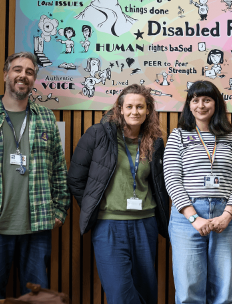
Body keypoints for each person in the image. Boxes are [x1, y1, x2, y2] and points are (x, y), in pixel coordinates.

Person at [67, 84, 169, 304]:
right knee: (120, 294)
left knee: (146, 291)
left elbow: (159, 185)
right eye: (129, 106)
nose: (135, 111)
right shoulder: (98, 135)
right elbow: (75, 178)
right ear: (120, 109)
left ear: (148, 110)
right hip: (109, 225)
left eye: (140, 107)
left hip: (145, 224)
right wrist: (94, 205)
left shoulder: (155, 141)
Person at [0, 52, 69, 298]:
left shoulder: (45, 118)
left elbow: (58, 170)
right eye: (17, 70)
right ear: (5, 75)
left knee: (36, 297)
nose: (23, 75)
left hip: (38, 226)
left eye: (29, 72)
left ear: (34, 80)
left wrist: (60, 212)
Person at [163, 80, 232, 304]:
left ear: (216, 103)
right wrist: (193, 217)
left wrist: (228, 214)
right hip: (187, 217)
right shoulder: (178, 136)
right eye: (196, 100)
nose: (201, 105)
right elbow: (172, 180)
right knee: (189, 290)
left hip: (225, 216)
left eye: (207, 100)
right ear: (189, 105)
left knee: (223, 290)